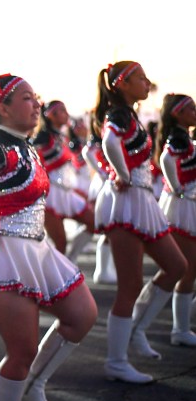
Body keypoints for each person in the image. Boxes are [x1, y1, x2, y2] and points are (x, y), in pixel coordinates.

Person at [0, 74, 97, 401]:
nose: (36, 104)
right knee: (22, 351)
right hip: (4, 256)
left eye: (36, 96)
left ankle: (34, 387)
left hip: (37, 249)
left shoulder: (25, 146)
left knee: (82, 315)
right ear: (3, 107)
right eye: (27, 97)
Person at [93, 61, 186, 382]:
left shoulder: (130, 114)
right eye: (141, 79)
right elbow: (109, 142)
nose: (148, 83)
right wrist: (121, 173)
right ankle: (116, 361)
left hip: (142, 198)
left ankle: (137, 330)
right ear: (122, 83)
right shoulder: (117, 115)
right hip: (126, 200)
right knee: (129, 284)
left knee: (176, 266)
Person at [156, 93, 196, 347]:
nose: (195, 112)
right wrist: (176, 187)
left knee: (189, 270)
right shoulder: (178, 138)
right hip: (184, 207)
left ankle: (182, 325)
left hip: (188, 203)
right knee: (188, 270)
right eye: (190, 109)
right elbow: (166, 158)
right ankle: (180, 329)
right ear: (177, 114)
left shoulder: (185, 137)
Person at [32, 101, 95, 263]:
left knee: (95, 223)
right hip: (50, 195)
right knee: (60, 243)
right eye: (61, 111)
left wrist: (81, 138)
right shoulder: (43, 137)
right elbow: (34, 162)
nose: (66, 114)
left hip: (67, 191)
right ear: (50, 115)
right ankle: (52, 275)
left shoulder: (62, 136)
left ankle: (70, 261)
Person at [82, 119, 117, 284]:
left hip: (110, 182)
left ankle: (105, 269)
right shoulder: (102, 133)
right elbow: (87, 152)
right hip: (105, 184)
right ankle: (102, 270)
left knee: (112, 228)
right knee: (107, 228)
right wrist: (102, 171)